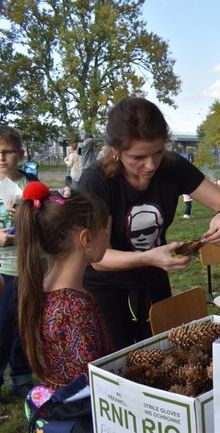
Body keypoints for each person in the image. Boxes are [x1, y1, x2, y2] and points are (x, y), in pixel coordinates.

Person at [79, 97, 220, 349]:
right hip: (107, 292)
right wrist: (148, 257)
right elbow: (98, 258)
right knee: (117, 364)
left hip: (154, 284)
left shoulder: (173, 167)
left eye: (158, 152)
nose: (151, 165)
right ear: (116, 151)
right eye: (138, 157)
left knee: (163, 355)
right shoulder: (97, 181)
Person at [16, 183, 113, 399]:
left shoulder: (43, 288)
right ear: (86, 238)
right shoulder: (74, 309)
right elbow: (94, 385)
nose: (108, 236)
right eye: (105, 230)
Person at [0, 125, 35, 400]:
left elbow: (46, 220)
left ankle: (22, 378)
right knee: (2, 326)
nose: (1, 157)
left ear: (20, 154)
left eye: (7, 151)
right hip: (1, 269)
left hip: (26, 266)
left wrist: (27, 216)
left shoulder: (31, 185)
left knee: (26, 324)